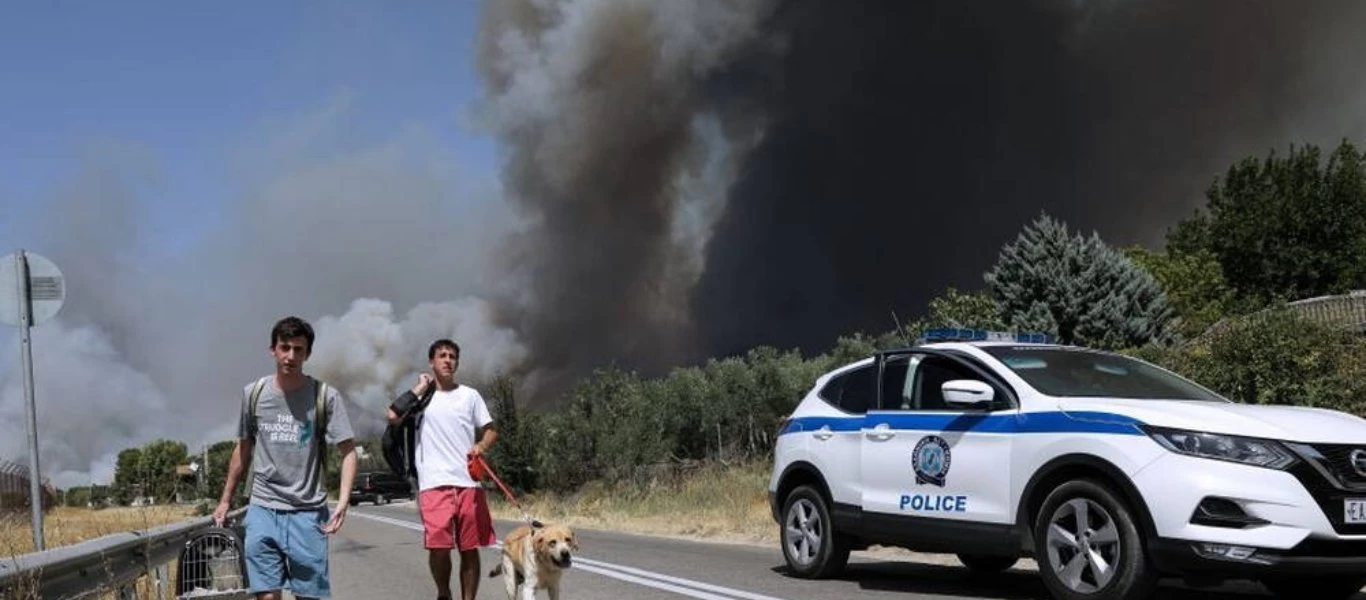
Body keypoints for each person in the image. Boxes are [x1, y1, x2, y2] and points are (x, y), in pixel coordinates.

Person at [214, 316, 358, 600]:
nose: (291, 356)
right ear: (273, 349)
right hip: (263, 508)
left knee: (309, 596)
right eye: (285, 347)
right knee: (266, 595)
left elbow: (349, 452)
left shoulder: (325, 397)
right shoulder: (254, 394)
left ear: (308, 354)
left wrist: (343, 501)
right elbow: (242, 450)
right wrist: (225, 500)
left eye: (298, 350)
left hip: (308, 513)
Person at [388, 338, 498, 600]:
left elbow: (491, 430)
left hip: (468, 483)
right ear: (432, 361)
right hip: (433, 484)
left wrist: (480, 447)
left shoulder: (470, 395)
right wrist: (419, 387)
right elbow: (392, 416)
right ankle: (443, 593)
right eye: (442, 355)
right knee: (438, 547)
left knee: (469, 548)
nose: (448, 360)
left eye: (452, 356)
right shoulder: (420, 401)